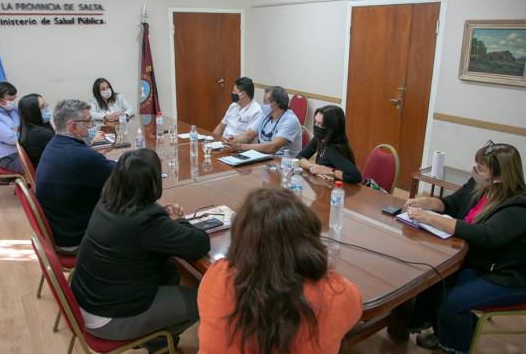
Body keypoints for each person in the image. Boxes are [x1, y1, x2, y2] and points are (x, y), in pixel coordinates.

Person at [71, 149, 210, 352]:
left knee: (169, 270)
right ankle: (157, 340)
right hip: (109, 319)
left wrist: (163, 216)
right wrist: (179, 221)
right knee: (206, 302)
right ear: (153, 183)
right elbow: (199, 244)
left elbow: (136, 230)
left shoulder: (106, 201)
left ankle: (159, 342)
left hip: (85, 302)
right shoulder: (146, 221)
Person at [198, 187, 362, 353]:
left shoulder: (217, 276)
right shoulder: (337, 294)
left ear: (242, 238)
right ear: (307, 240)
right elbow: (354, 309)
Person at [404, 141, 526, 353]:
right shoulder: (479, 187)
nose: (474, 171)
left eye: (480, 168)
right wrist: (426, 203)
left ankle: (454, 347)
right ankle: (445, 332)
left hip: (508, 277)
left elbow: (486, 235)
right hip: (481, 264)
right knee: (435, 279)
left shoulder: (518, 207)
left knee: (451, 302)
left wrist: (431, 220)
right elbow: (451, 203)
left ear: (499, 177)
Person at [36, 99, 115, 254]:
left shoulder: (55, 143)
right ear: (73, 126)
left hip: (62, 229)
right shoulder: (80, 156)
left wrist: (95, 157)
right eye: (88, 121)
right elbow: (123, 174)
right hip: (77, 240)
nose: (91, 125)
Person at [224, 86, 302, 156]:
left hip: (284, 164)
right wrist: (234, 141)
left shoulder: (290, 120)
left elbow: (272, 147)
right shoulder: (265, 114)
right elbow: (248, 135)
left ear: (274, 105)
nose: (262, 104)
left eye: (265, 102)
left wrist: (239, 147)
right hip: (263, 159)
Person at [298, 105, 362, 184]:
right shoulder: (320, 138)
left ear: (332, 128)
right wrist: (312, 167)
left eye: (320, 124)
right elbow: (299, 157)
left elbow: (356, 176)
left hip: (337, 190)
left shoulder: (333, 150)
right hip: (323, 186)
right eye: (315, 122)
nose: (316, 127)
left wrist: (330, 172)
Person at [17, 93, 55, 168]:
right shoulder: (41, 134)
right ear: (33, 112)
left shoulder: (27, 129)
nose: (46, 108)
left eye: (45, 105)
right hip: (51, 172)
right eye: (42, 107)